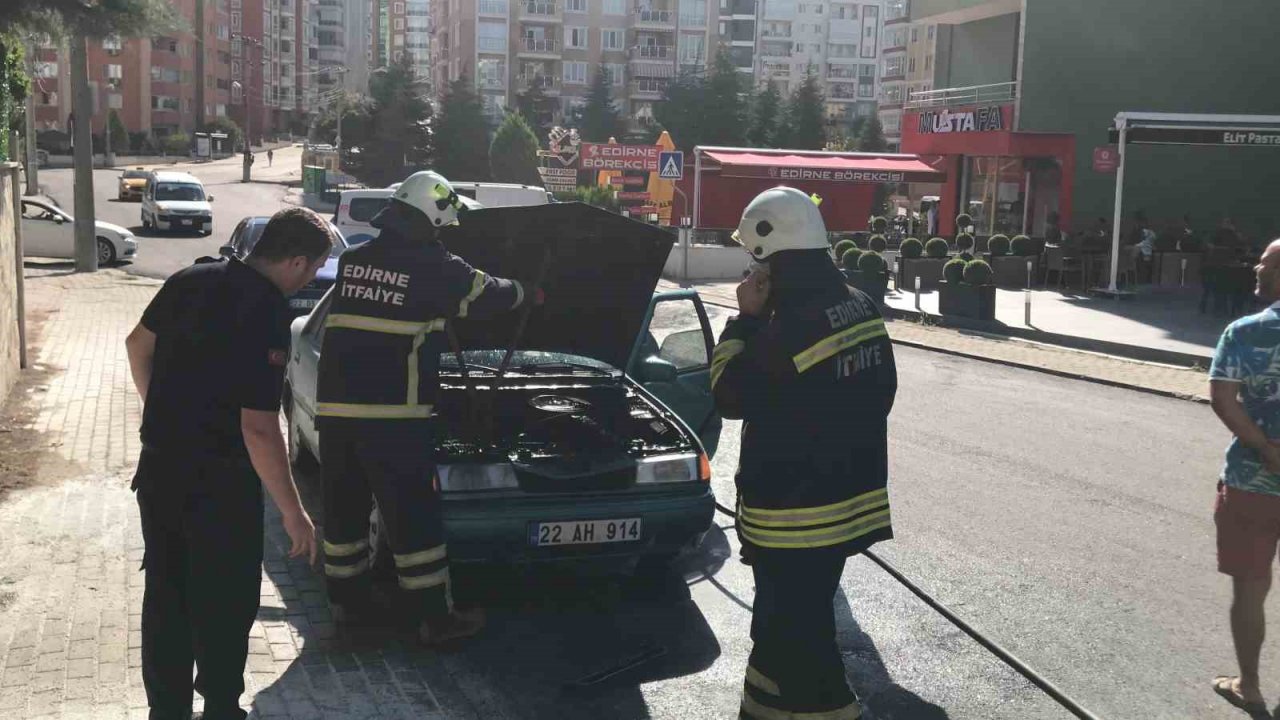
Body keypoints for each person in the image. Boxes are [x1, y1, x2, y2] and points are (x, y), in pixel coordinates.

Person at [316, 170, 540, 645]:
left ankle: (350, 613)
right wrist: (528, 291)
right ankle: (435, 621)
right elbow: (488, 293)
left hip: (336, 416)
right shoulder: (435, 265)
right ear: (433, 218)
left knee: (343, 519)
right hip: (395, 420)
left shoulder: (354, 261)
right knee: (413, 521)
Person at [124, 207, 330, 720]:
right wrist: (293, 510)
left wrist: (162, 412)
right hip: (220, 484)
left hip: (160, 471)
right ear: (297, 261)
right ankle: (219, 706)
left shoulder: (189, 278)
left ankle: (166, 709)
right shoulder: (265, 310)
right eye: (311, 270)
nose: (307, 280)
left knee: (167, 592)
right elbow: (258, 427)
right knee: (224, 597)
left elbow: (136, 345)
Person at [712, 186, 897, 720]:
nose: (751, 269)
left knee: (787, 630)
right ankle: (788, 708)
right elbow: (883, 394)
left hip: (792, 513)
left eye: (755, 258)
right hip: (847, 502)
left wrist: (743, 319)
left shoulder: (786, 326)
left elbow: (728, 396)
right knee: (796, 623)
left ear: (770, 255)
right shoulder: (857, 303)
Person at [1209, 238, 1280, 716]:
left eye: (1266, 262)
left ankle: (1250, 686)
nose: (1256, 267)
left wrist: (1266, 449)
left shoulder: (1244, 332)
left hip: (1253, 484)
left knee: (1250, 588)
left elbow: (1223, 398)